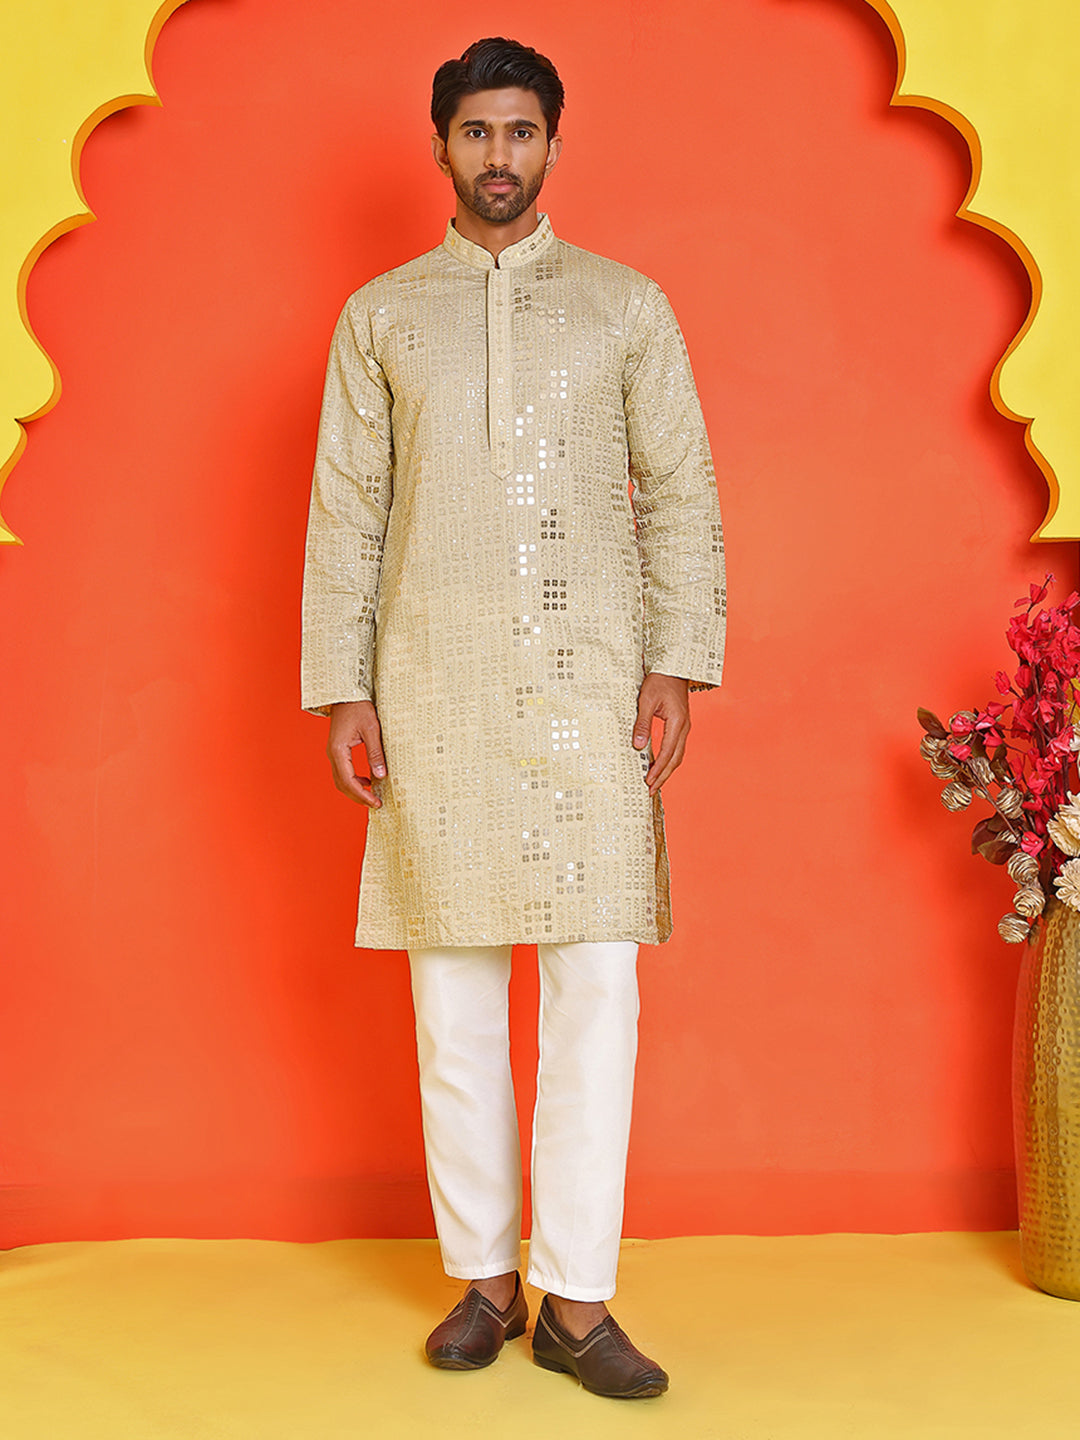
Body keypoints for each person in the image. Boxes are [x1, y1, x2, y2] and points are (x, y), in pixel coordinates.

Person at [301, 36, 725, 1400]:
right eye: (477, 131)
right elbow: (347, 514)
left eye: (521, 131)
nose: (499, 155)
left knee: (597, 987)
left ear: (553, 144)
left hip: (592, 688)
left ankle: (578, 1300)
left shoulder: (624, 306)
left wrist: (676, 661)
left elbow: (681, 489)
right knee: (455, 998)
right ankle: (484, 1281)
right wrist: (348, 685)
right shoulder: (381, 317)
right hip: (433, 691)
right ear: (440, 146)